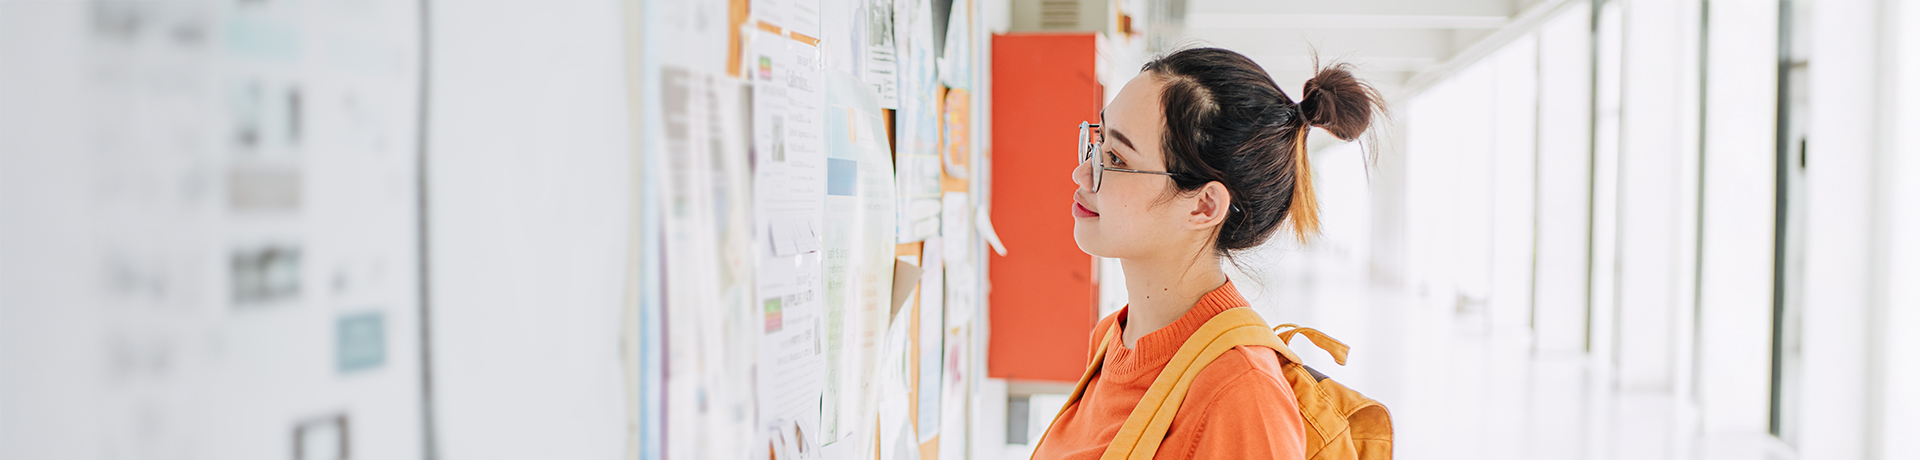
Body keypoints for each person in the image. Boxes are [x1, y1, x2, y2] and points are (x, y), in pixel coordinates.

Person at [1033, 47, 1383, 459]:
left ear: (1203, 207)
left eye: (1117, 158)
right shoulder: (1114, 336)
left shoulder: (1242, 396)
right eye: (1099, 143)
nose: (1083, 173)